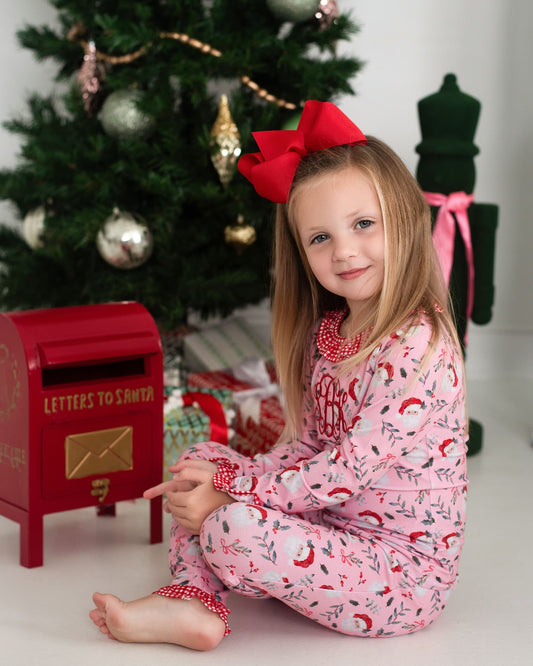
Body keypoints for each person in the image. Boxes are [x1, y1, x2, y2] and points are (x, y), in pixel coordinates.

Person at [89, 100, 468, 650]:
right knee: (201, 459)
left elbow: (346, 469)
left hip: (397, 575)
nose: (344, 252)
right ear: (301, 252)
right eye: (320, 238)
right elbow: (311, 444)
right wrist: (219, 478)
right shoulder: (330, 332)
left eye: (363, 225)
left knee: (230, 527)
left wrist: (236, 493)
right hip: (328, 525)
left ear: (403, 221)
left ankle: (213, 563)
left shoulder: (418, 343)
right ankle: (194, 600)